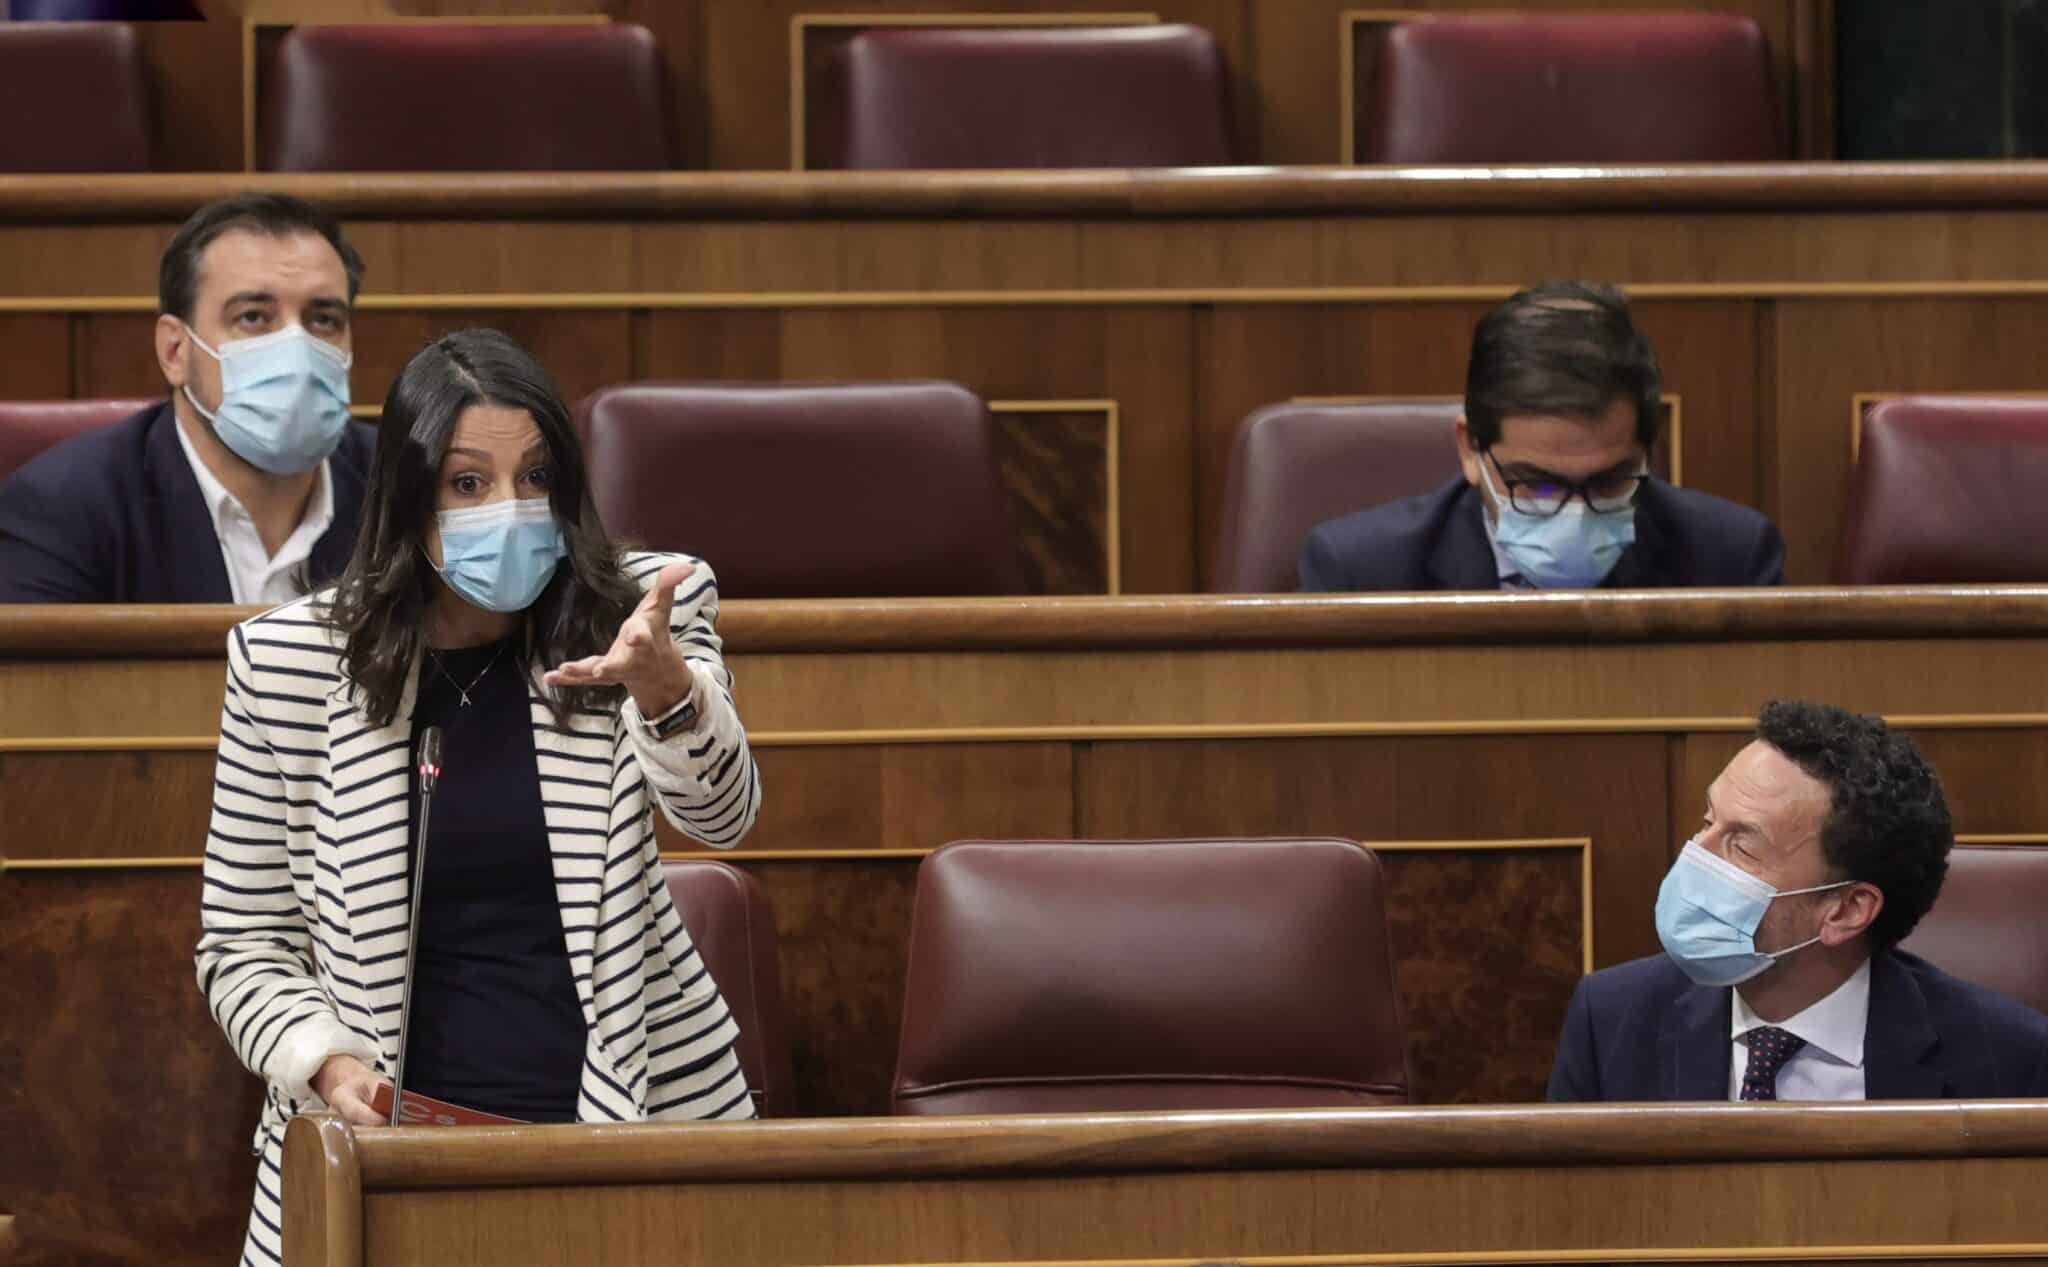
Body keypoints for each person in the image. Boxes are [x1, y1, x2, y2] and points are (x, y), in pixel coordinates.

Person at [194, 329, 760, 1266]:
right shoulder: (288, 665)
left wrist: (666, 690)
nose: (512, 508)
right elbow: (243, 944)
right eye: (468, 483)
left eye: (538, 478)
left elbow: (723, 814)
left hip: (634, 1124)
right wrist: (328, 1067)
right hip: (383, 1151)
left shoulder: (642, 610)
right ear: (410, 501)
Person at [1549, 699, 2048, 1103]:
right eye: (1706, 822)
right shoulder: (1612, 1021)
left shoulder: (2009, 1063)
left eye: (1741, 846)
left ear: (1847, 910)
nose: (1694, 856)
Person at [0, 193, 374, 602]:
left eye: (324, 320)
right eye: (252, 317)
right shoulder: (66, 507)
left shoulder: (407, 484)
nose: (296, 347)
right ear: (175, 351)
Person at [1297, 282, 1784, 592]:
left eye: (1608, 483)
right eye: (1538, 485)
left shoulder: (1731, 561)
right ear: (1471, 450)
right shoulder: (1361, 575)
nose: (1575, 515)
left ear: (1646, 452)